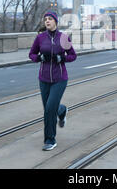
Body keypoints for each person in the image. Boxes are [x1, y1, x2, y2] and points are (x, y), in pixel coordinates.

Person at [29, 11, 77, 151]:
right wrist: (38, 58)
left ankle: (50, 140)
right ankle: (62, 111)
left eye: (50, 19)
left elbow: (73, 56)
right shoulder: (40, 38)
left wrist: (62, 58)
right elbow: (31, 54)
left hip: (59, 78)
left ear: (56, 21)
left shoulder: (63, 38)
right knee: (49, 109)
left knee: (50, 109)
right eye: (45, 19)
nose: (47, 21)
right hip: (43, 79)